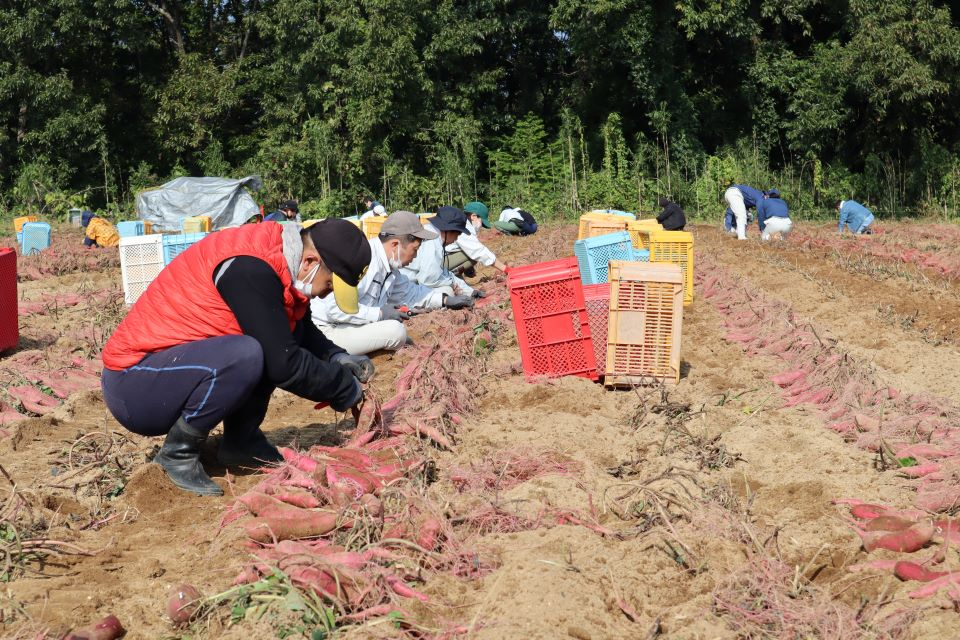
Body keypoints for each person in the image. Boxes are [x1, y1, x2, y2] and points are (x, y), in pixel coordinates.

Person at [100, 219, 373, 496]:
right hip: (135, 384)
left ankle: (241, 441)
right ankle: (177, 454)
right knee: (248, 354)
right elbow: (284, 365)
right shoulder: (250, 268)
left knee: (265, 342)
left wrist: (336, 357)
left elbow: (295, 327)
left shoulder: (279, 260)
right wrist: (343, 388)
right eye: (329, 284)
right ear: (310, 262)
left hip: (167, 371)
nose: (327, 294)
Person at [312, 211, 474, 355]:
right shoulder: (362, 262)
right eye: (415, 249)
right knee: (396, 332)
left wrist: (445, 300)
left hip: (348, 324)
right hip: (327, 329)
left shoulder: (390, 269)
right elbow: (335, 309)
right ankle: (335, 354)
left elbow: (412, 293)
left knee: (395, 330)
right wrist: (379, 314)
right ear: (395, 244)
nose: (415, 257)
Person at [401, 206, 481, 301]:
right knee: (447, 292)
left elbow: (444, 272)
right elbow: (428, 279)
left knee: (448, 290)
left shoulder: (432, 233)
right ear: (448, 231)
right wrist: (451, 284)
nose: (456, 239)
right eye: (457, 235)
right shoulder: (432, 241)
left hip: (410, 281)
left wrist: (469, 291)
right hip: (403, 286)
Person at [445, 201, 509, 278]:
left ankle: (455, 278)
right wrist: (506, 269)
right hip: (434, 264)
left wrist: (467, 268)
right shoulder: (463, 227)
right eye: (482, 222)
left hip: (440, 258)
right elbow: (478, 251)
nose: (481, 226)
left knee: (470, 254)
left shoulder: (458, 221)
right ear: (473, 216)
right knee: (473, 257)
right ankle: (446, 277)